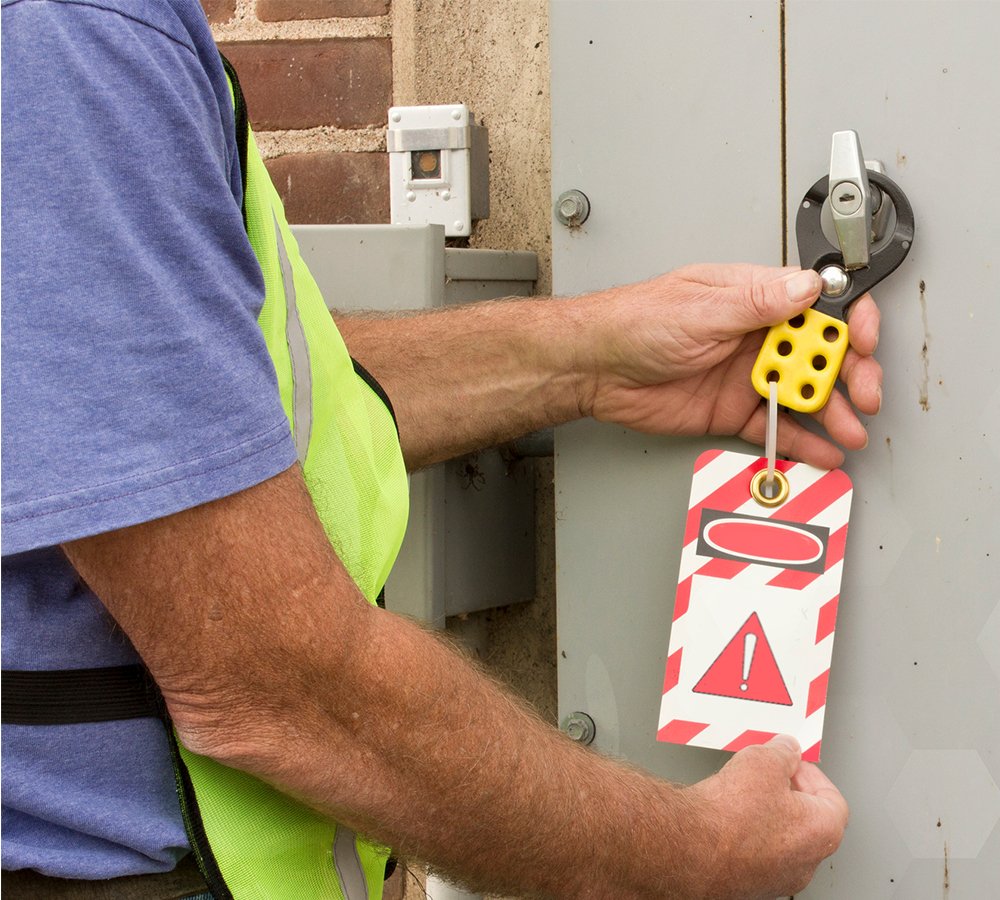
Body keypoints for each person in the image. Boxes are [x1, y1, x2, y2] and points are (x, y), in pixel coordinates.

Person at [1, 0, 882, 896]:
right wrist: (695, 856)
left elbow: (217, 409)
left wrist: (595, 358)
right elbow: (281, 685)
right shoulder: (68, 39)